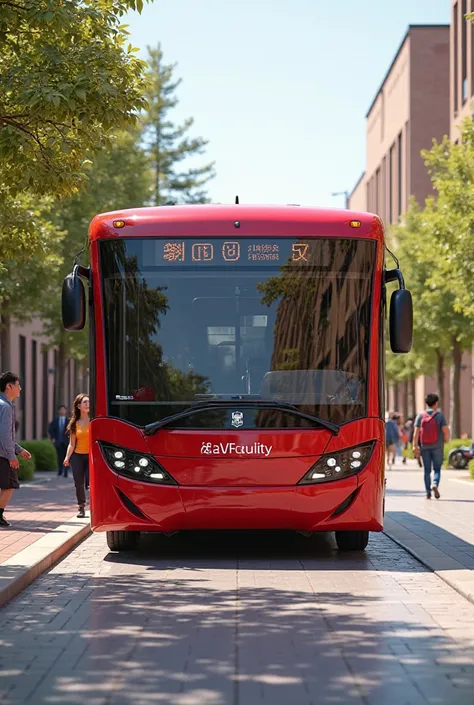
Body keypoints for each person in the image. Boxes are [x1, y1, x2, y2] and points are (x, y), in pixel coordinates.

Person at [0, 372, 32, 527]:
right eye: (18, 385)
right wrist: (12, 456)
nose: (20, 388)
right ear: (9, 386)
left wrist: (19, 450)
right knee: (9, 485)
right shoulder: (5, 407)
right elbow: (5, 435)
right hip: (2, 455)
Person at [412, 393, 450, 499]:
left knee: (427, 470)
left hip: (425, 446)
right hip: (438, 446)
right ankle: (435, 483)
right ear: (436, 403)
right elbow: (445, 430)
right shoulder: (440, 416)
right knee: (437, 469)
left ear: (426, 403)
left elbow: (416, 433)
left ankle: (428, 492)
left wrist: (415, 446)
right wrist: (446, 440)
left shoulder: (420, 415)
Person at [63, 394, 90, 518]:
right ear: (79, 405)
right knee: (78, 483)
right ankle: (81, 507)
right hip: (77, 456)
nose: (87, 404)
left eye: (88, 402)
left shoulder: (94, 420)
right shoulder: (74, 423)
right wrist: (67, 457)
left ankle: (95, 507)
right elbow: (72, 444)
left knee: (90, 483)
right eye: (85, 402)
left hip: (91, 456)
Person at [48, 405, 69, 477]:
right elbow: (51, 429)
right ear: (59, 411)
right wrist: (53, 438)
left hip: (67, 442)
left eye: (64, 410)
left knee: (66, 457)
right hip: (58, 441)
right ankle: (60, 470)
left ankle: (66, 471)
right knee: (60, 457)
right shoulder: (55, 420)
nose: (62, 411)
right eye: (61, 410)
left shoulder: (69, 420)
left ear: (66, 411)